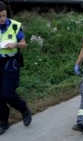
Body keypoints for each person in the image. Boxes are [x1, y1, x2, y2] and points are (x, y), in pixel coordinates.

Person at [0, 1, 32, 135]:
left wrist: (15, 45)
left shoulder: (14, 25)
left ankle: (23, 109)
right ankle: (3, 122)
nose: (2, 19)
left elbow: (24, 44)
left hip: (11, 63)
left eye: (4, 15)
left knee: (7, 93)